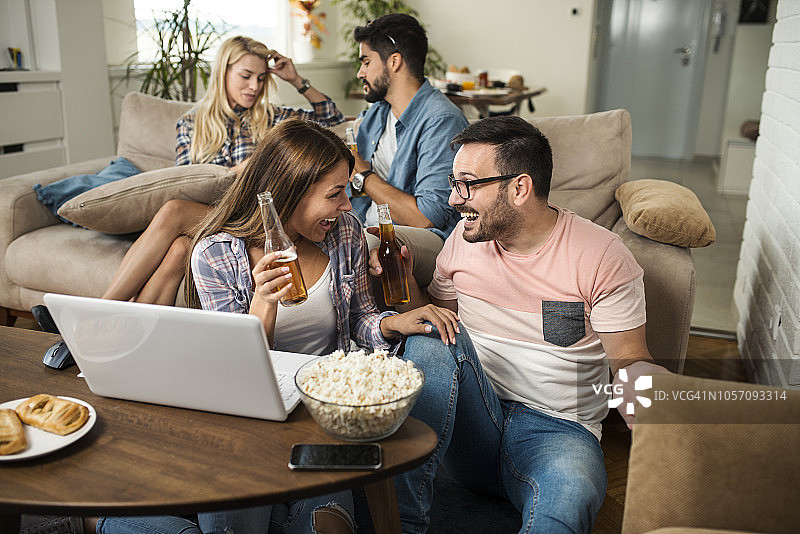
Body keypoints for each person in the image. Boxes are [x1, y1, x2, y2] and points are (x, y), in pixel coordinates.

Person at [91, 118, 460, 534]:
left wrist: (393, 324)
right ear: (290, 193)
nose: (346, 206)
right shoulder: (216, 254)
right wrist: (263, 302)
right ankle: (104, 519)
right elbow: (235, 372)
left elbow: (360, 322)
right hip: (248, 425)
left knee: (332, 526)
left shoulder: (345, 233)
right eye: (335, 194)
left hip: (320, 421)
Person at [371, 116, 671, 534]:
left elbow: (630, 360)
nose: (454, 200)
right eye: (454, 183)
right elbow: (439, 326)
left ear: (519, 188)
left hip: (559, 431)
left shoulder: (601, 256)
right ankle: (400, 525)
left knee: (569, 502)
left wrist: (660, 423)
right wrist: (401, 282)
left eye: (468, 184)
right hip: (470, 421)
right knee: (428, 341)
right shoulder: (463, 238)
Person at [101, 35, 346, 306]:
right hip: (211, 213)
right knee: (179, 248)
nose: (254, 86)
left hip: (254, 215)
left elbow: (333, 123)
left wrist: (297, 80)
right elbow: (183, 182)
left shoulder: (275, 118)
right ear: (224, 72)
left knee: (174, 212)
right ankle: (126, 326)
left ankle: (102, 308)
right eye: (246, 76)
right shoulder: (191, 124)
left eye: (262, 78)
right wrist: (235, 171)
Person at [348, 14, 468, 289]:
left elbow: (425, 218)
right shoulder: (377, 114)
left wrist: (364, 177)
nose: (360, 73)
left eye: (366, 62)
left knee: (362, 246)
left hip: (427, 239)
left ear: (394, 61)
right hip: (369, 227)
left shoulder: (441, 120)